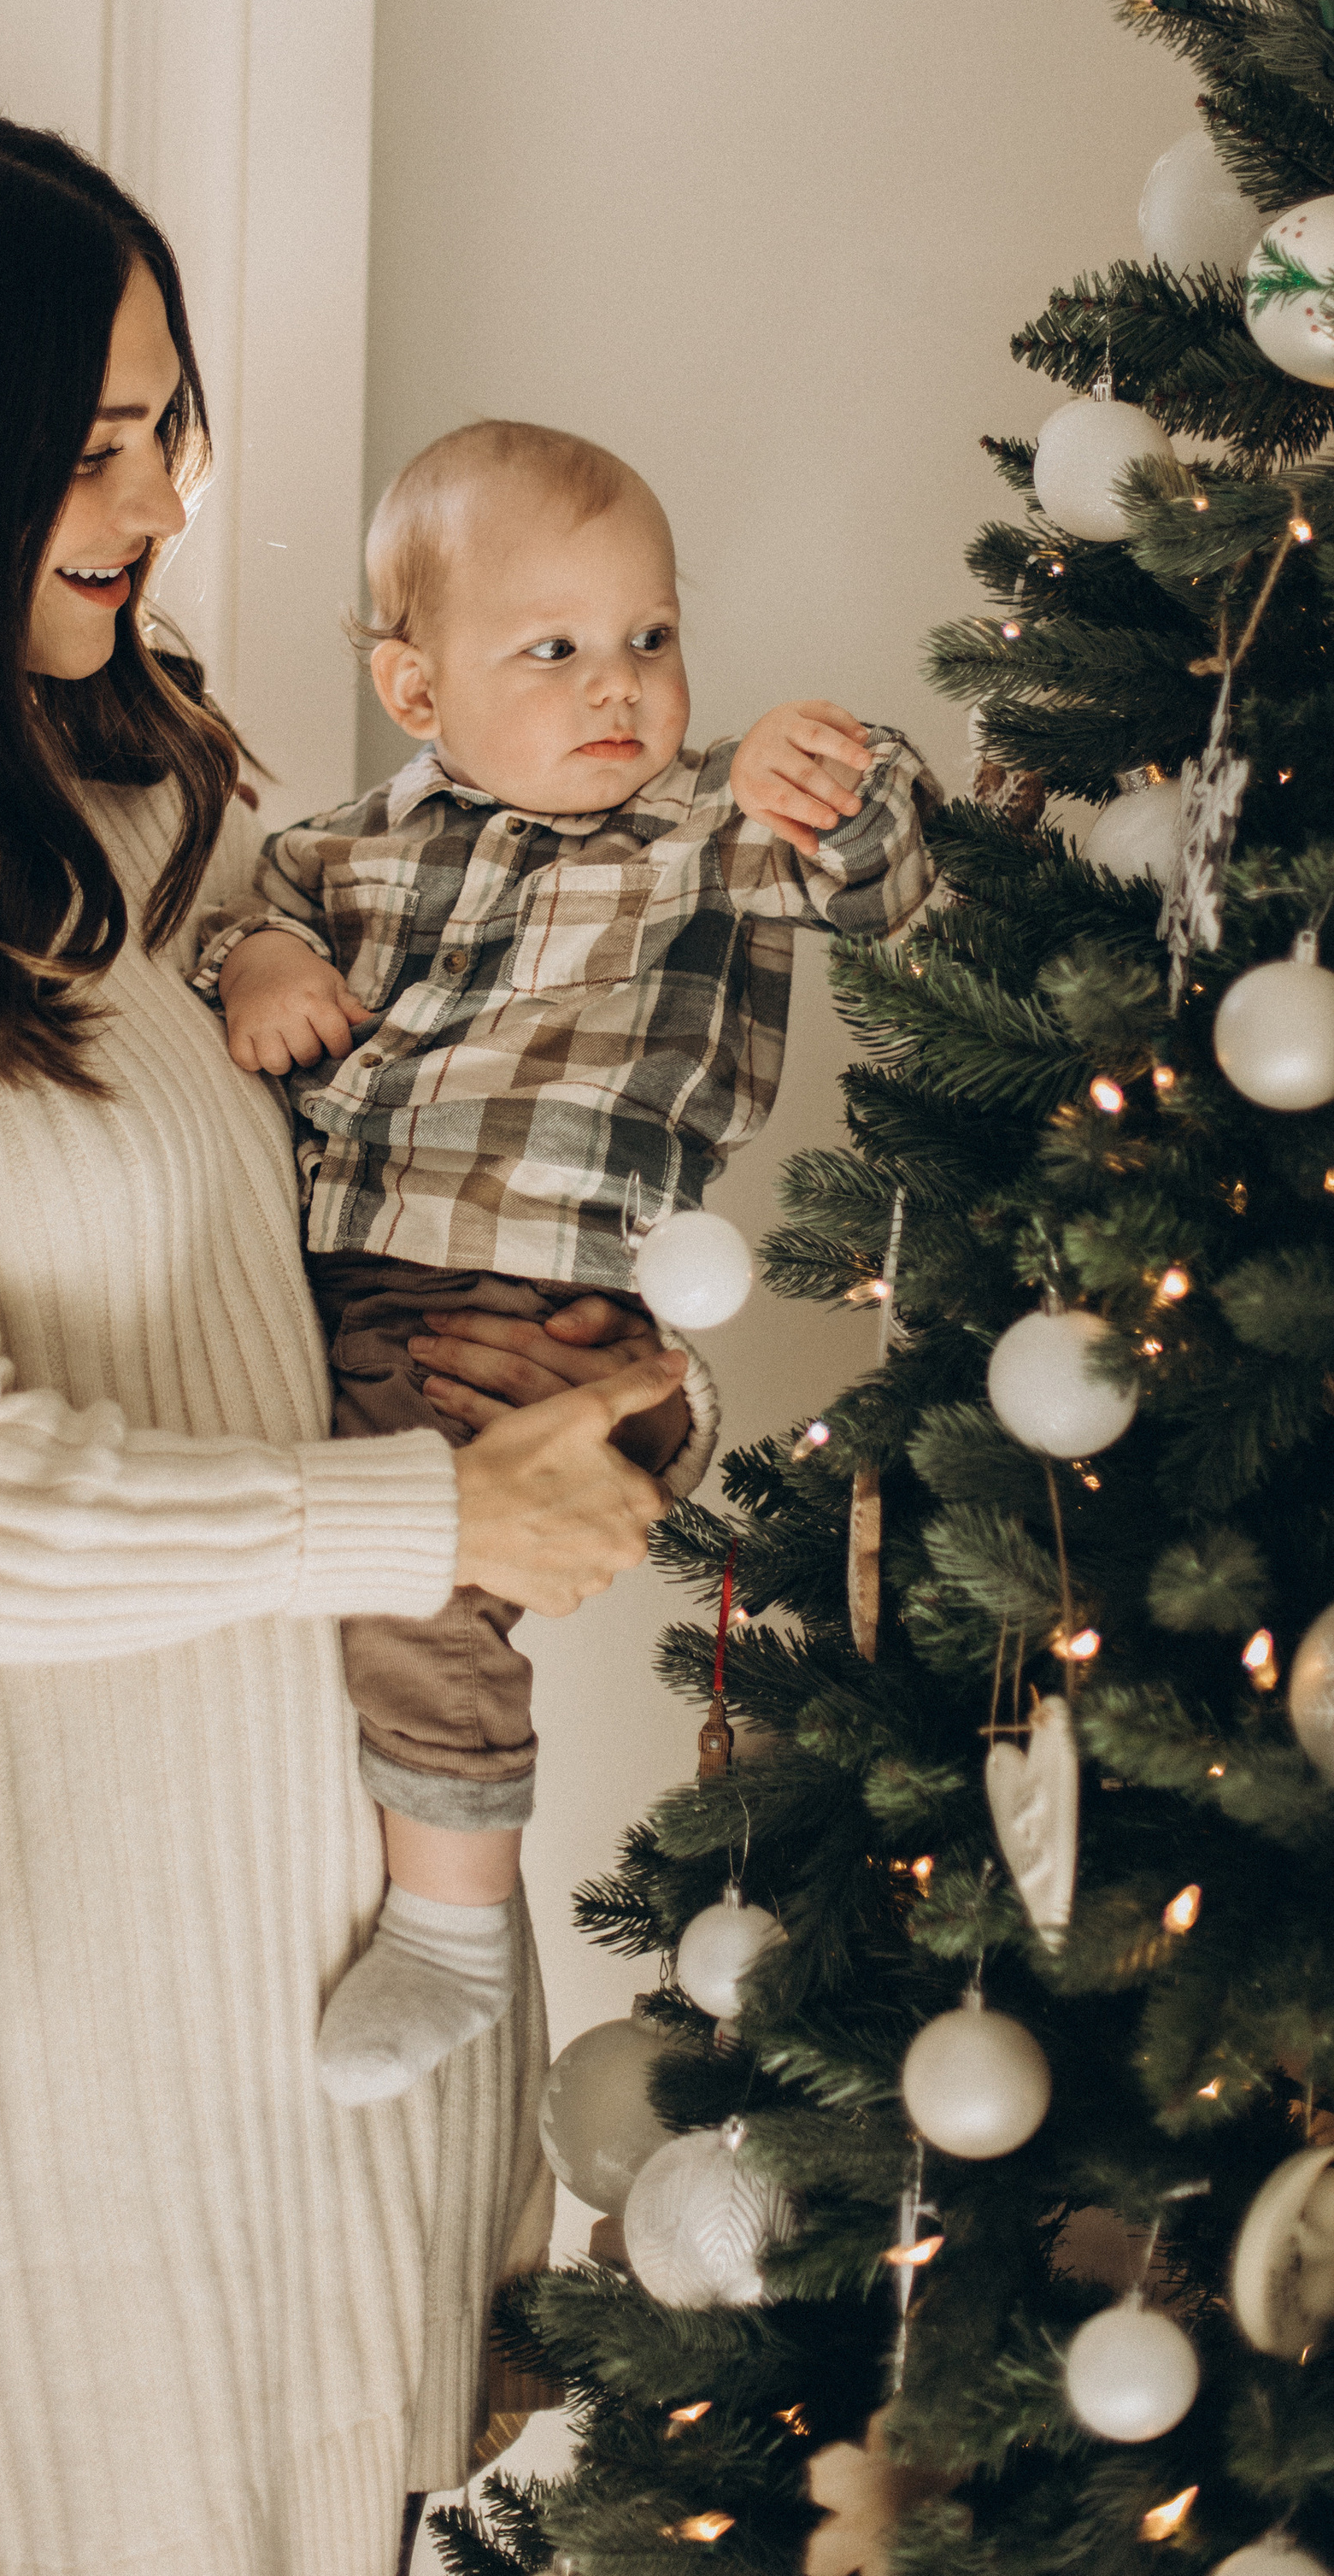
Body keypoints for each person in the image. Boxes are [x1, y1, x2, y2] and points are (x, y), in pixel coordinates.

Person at [0, 103, 691, 2576]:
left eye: (164, 425)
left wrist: (569, 1377)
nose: (155, 497)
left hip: (340, 2009)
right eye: (91, 442)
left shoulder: (139, 799)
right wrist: (442, 1501)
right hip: (45, 2101)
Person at [197, 420, 939, 2105]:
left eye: (649, 638)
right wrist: (255, 963)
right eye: (552, 649)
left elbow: (891, 886)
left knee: (422, 1580)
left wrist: (833, 768)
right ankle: (435, 1867)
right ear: (415, 688)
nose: (618, 685)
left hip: (555, 1290)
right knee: (370, 1568)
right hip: (355, 1280)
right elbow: (234, 911)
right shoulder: (345, 853)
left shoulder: (710, 829)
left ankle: (452, 1921)